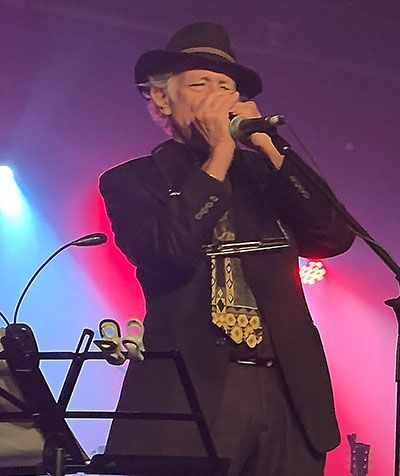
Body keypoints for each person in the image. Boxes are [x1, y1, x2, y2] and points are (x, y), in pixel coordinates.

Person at [100, 21, 355, 476]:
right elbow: (168, 250)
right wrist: (219, 153)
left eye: (227, 87)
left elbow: (334, 235)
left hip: (287, 391)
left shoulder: (265, 175)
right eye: (200, 84)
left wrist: (267, 146)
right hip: (191, 394)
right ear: (161, 98)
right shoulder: (132, 181)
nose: (217, 97)